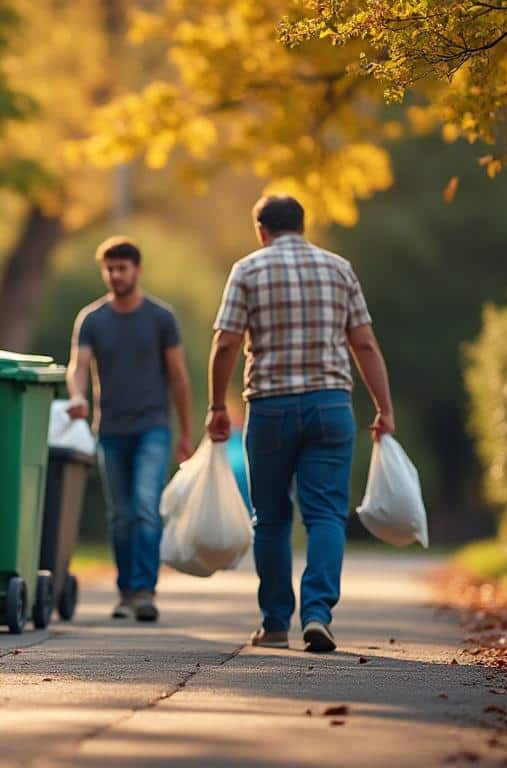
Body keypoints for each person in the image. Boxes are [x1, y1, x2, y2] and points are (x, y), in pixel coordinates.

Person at [206, 194, 394, 653]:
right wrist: (384, 408)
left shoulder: (247, 270)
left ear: (261, 230)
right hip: (330, 407)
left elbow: (228, 342)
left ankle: (274, 623)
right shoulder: (339, 269)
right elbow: (364, 344)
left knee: (270, 518)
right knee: (327, 513)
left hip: (270, 407)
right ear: (302, 226)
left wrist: (216, 405)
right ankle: (317, 614)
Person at [67, 236, 193, 622]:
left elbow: (178, 376)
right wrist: (77, 395)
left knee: (144, 507)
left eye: (122, 268)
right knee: (121, 515)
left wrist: (186, 432)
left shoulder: (161, 317)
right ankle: (126, 592)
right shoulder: (92, 319)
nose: (115, 275)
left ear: (137, 270)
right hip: (111, 429)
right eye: (109, 268)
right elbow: (79, 366)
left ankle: (145, 591)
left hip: (153, 426)